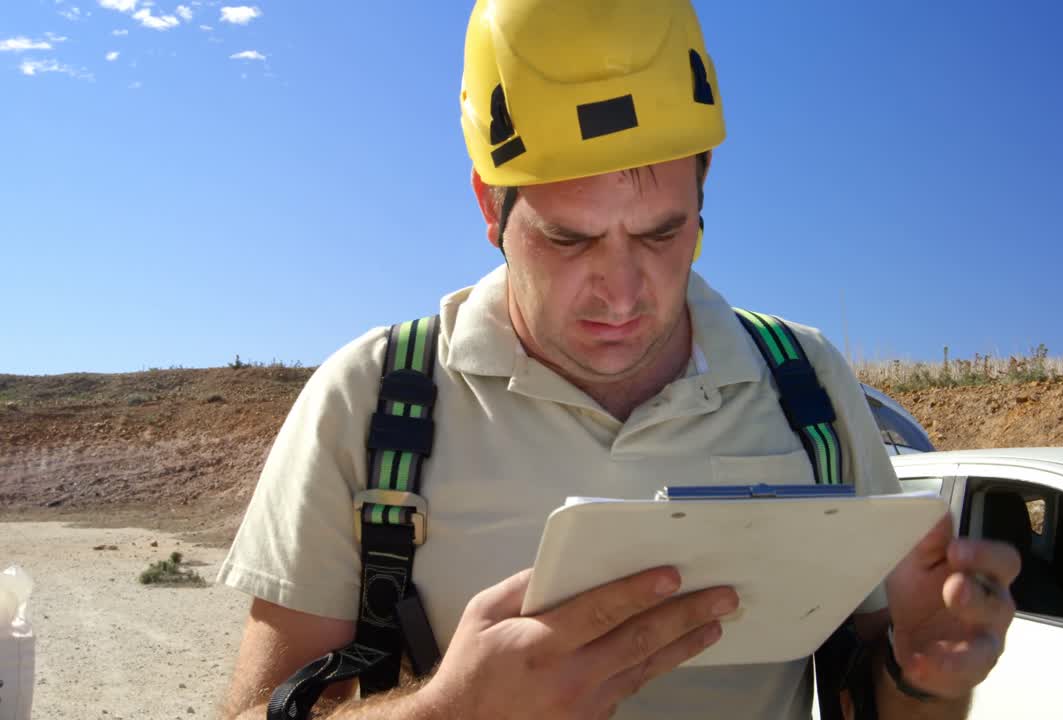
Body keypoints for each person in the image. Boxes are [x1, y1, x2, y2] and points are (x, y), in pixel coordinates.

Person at [216, 1, 1019, 718]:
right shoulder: (369, 401)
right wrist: (447, 713)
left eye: (663, 233)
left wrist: (924, 680)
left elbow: (883, 701)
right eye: (570, 239)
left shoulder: (804, 382)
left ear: (704, 196)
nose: (624, 293)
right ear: (488, 205)